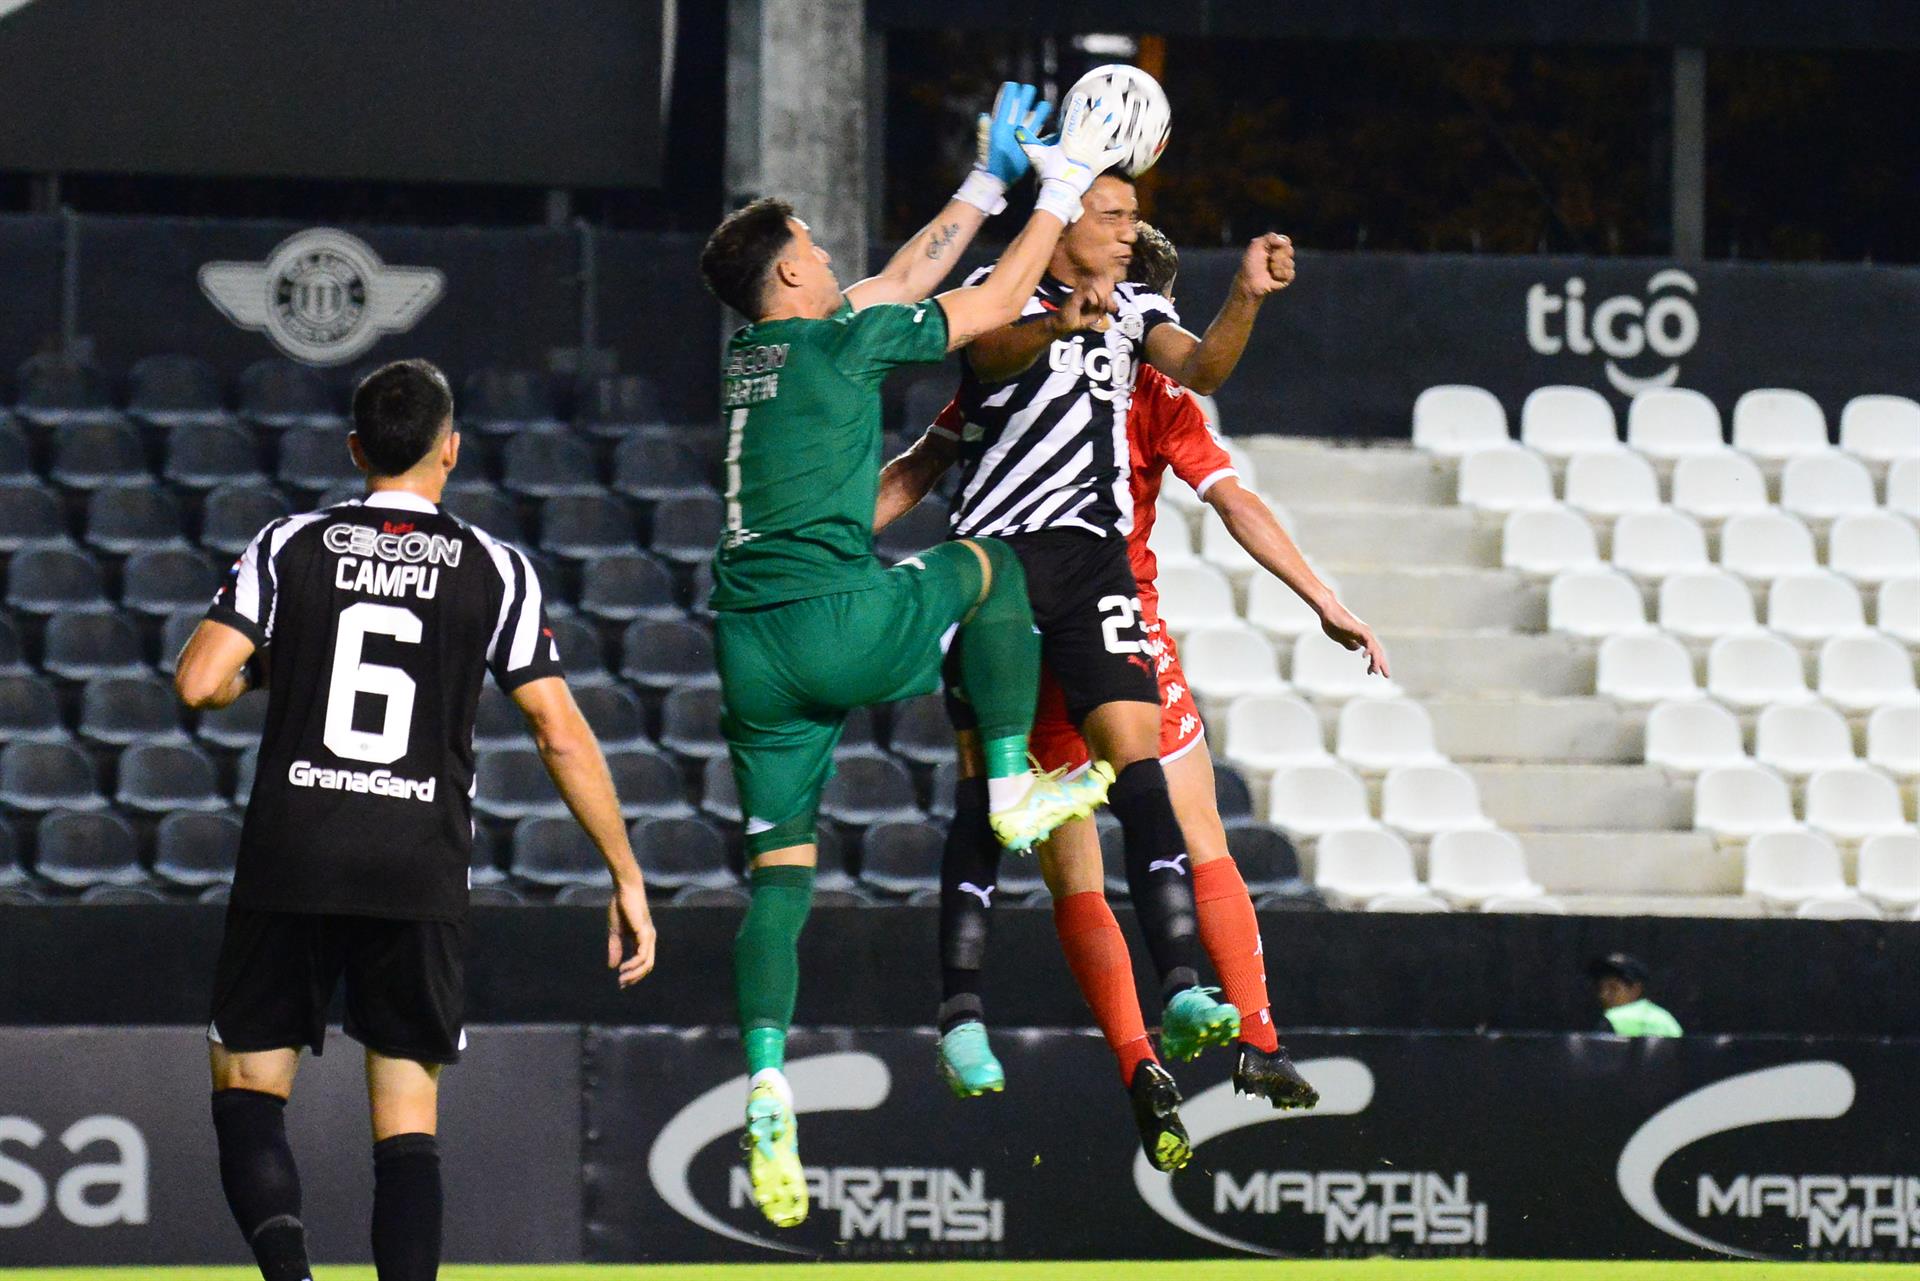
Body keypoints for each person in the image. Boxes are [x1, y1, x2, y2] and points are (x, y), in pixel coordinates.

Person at [696, 82, 1128, 1229]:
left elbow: (897, 282)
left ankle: (768, 1079)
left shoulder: (758, 361)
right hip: (834, 620)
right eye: (816, 247)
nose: (836, 257)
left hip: (748, 649)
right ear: (789, 275)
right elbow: (985, 303)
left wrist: (983, 183)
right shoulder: (842, 341)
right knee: (987, 564)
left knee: (780, 879)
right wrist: (1061, 188)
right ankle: (1014, 786)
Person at [879, 223, 1388, 1168]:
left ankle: (1135, 1060)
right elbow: (1233, 495)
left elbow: (919, 463)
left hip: (1017, 622)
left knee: (1069, 870)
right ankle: (1257, 1041)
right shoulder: (1155, 390)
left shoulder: (1006, 370)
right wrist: (1324, 597)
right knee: (1193, 834)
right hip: (1120, 626)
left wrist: (814, 541)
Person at [174, 359, 657, 1281]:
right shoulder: (496, 567)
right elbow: (559, 731)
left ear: (356, 449)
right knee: (405, 1121)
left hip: (295, 853)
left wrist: (275, 664)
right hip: (417, 861)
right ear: (451, 448)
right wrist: (626, 874)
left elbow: (201, 681)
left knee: (247, 1090)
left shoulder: (290, 544)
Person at [1590, 952, 1683, 1037]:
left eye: (1613, 988)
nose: (1603, 995)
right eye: (1601, 988)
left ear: (1635, 989)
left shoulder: (1612, 1019)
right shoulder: (1666, 1019)